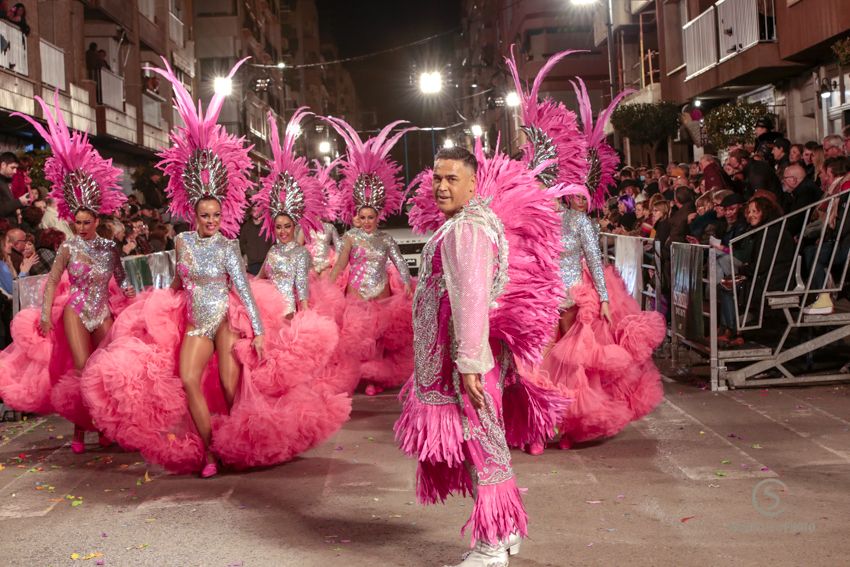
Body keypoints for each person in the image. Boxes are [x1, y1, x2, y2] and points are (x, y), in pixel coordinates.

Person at [80, 58, 271, 477]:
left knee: (228, 384)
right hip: (195, 318)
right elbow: (176, 278)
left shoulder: (227, 244)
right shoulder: (181, 240)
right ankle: (210, 452)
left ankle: (239, 446)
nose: (210, 221)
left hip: (225, 317)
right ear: (193, 214)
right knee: (187, 379)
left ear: (222, 215)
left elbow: (241, 285)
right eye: (204, 215)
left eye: (215, 216)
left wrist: (256, 331)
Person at [397, 143, 570, 567]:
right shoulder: (469, 221)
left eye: (452, 179)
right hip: (465, 357)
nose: (441, 186)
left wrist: (470, 366)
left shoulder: (467, 229)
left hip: (467, 361)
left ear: (473, 184)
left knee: (482, 442)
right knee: (482, 440)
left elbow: (472, 299)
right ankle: (505, 530)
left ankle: (492, 545)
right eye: (437, 178)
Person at [0, 94, 135, 453]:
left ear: (97, 222)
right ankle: (79, 430)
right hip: (75, 310)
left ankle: (105, 427)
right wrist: (45, 314)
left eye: (88, 222)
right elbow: (49, 285)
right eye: (78, 222)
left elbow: (123, 282)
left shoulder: (109, 248)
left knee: (104, 370)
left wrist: (135, 296)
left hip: (103, 310)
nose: (83, 227)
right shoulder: (67, 247)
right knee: (81, 370)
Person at [325, 115, 414, 396]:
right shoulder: (350, 237)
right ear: (356, 217)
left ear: (378, 217)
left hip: (382, 294)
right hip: (356, 294)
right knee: (359, 339)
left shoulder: (385, 238)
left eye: (370, 217)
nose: (366, 221)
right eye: (362, 216)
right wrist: (326, 287)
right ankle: (359, 377)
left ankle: (377, 379)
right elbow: (340, 264)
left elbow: (399, 262)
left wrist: (408, 283)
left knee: (381, 339)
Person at [297, 158, 342, 276]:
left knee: (326, 289)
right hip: (309, 268)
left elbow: (339, 247)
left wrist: (333, 261)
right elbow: (297, 247)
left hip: (326, 266)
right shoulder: (305, 227)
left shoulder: (330, 227)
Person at [0, 153, 31, 224]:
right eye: (12, 167)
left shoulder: (6, 180)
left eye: (16, 168)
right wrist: (19, 201)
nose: (15, 171)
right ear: (3, 165)